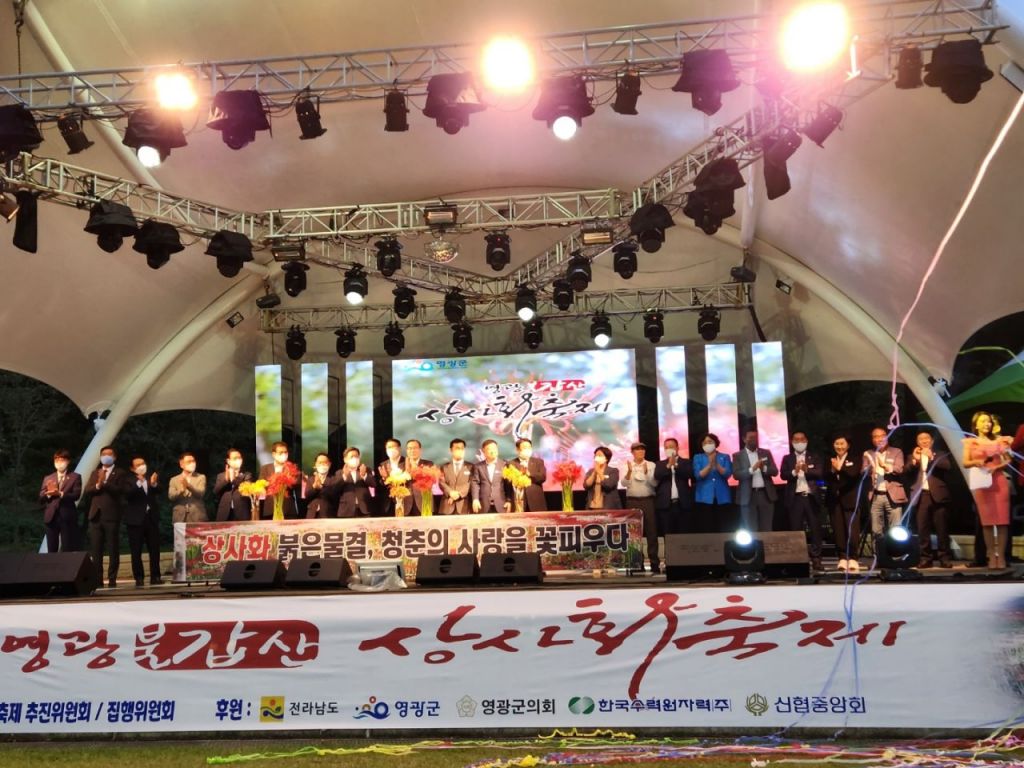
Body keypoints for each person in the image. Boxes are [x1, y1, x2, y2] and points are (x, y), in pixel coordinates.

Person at [963, 411, 1013, 569]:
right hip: (982, 483)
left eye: (989, 421)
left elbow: (1008, 459)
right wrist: (976, 462)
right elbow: (965, 462)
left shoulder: (1000, 440)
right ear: (976, 425)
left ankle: (1001, 556)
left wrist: (997, 467)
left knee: (1002, 521)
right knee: (987, 522)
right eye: (983, 421)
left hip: (998, 482)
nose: (987, 424)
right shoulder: (971, 442)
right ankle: (991, 555)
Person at [83, 445, 130, 589]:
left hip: (112, 515)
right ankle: (97, 579)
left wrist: (105, 483)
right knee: (96, 550)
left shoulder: (120, 473)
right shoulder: (95, 472)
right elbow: (88, 490)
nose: (106, 457)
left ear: (114, 457)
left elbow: (120, 490)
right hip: (95, 515)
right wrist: (98, 484)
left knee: (112, 548)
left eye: (109, 454)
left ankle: (112, 578)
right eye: (103, 454)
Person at [908, 430, 953, 568]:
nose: (924, 441)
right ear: (917, 442)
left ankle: (944, 557)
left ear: (932, 441)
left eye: (926, 438)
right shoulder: (912, 455)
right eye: (921, 439)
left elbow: (947, 466)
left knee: (942, 528)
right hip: (921, 495)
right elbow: (905, 471)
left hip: (938, 495)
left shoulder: (940, 454)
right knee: (922, 529)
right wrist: (915, 460)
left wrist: (931, 457)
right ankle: (925, 558)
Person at [779, 431, 824, 571]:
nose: (799, 442)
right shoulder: (787, 458)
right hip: (795, 498)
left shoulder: (814, 457)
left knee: (815, 529)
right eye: (796, 440)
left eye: (802, 439)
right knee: (796, 529)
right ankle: (798, 558)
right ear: (792, 442)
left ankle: (816, 558)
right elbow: (783, 475)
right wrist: (794, 471)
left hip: (811, 496)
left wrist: (806, 470)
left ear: (806, 441)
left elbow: (819, 473)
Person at [123, 456, 162, 587]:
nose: (141, 466)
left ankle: (155, 576)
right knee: (136, 550)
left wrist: (154, 484)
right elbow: (127, 495)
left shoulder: (151, 477)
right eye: (138, 465)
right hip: (135, 520)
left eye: (143, 463)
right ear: (132, 468)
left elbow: (159, 490)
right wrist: (139, 483)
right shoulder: (128, 479)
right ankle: (139, 577)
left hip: (151, 518)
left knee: (154, 549)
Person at [827, 434, 862, 572]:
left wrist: (839, 469)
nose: (839, 446)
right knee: (838, 529)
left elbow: (853, 475)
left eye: (842, 443)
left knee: (852, 529)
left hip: (850, 499)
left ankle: (853, 557)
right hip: (834, 499)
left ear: (848, 445)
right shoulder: (830, 459)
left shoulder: (855, 459)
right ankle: (842, 557)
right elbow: (824, 476)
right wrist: (832, 471)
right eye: (837, 443)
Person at [863, 427, 906, 540]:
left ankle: (895, 551)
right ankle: (878, 551)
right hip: (875, 495)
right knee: (876, 530)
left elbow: (899, 469)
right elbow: (863, 471)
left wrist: (885, 466)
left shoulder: (896, 451)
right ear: (872, 440)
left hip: (893, 495)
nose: (879, 439)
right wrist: (871, 466)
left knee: (896, 529)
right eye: (876, 437)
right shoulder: (868, 453)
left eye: (882, 436)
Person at [732, 428, 778, 532]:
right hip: (748, 496)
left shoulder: (766, 453)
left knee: (767, 527)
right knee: (750, 529)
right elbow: (736, 475)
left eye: (756, 437)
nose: (754, 440)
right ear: (744, 439)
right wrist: (752, 469)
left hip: (765, 495)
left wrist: (764, 468)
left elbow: (775, 471)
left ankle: (767, 543)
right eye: (751, 437)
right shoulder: (738, 455)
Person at [623, 442, 658, 572]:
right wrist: (629, 472)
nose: (641, 451)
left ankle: (654, 563)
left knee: (651, 532)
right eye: (637, 450)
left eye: (642, 449)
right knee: (634, 533)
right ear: (632, 452)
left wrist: (647, 472)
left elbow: (655, 483)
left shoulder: (651, 465)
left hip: (648, 500)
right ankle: (637, 563)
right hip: (632, 501)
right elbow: (623, 483)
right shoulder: (627, 465)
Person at [39, 448, 82, 553]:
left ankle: (67, 564)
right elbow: (41, 497)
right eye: (57, 460)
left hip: (67, 516)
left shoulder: (75, 477)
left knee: (67, 547)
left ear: (68, 461)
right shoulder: (48, 478)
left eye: (62, 460)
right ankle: (51, 564)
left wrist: (61, 494)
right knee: (51, 548)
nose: (59, 463)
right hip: (51, 517)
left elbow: (76, 495)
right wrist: (49, 494)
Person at [693, 433, 733, 532]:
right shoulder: (698, 457)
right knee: (707, 526)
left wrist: (716, 464)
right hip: (704, 497)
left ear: (716, 443)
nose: (707, 444)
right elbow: (698, 475)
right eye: (704, 443)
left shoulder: (725, 456)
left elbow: (727, 474)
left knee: (724, 526)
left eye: (710, 442)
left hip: (722, 496)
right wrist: (710, 465)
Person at [654, 437, 693, 536]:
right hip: (665, 505)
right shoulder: (659, 464)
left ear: (677, 448)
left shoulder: (686, 462)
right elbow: (657, 475)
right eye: (666, 447)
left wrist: (676, 466)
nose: (669, 449)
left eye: (671, 447)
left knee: (684, 534)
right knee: (667, 534)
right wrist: (668, 466)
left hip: (682, 504)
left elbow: (690, 474)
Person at [258, 441, 299, 519]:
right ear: (274, 454)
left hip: (288, 510)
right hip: (270, 510)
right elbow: (260, 485)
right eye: (280, 452)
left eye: (285, 452)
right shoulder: (265, 468)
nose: (284, 455)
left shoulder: (292, 468)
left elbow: (296, 486)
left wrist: (289, 478)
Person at [471, 439, 510, 514]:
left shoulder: (504, 465)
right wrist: (475, 499)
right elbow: (475, 483)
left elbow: (508, 485)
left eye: (494, 448)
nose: (492, 451)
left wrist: (509, 500)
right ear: (484, 452)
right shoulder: (478, 466)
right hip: (483, 504)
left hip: (501, 504)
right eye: (489, 449)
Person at [213, 448, 252, 522]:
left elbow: (247, 489)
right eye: (235, 458)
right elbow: (216, 491)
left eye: (239, 458)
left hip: (241, 512)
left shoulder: (246, 475)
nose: (238, 460)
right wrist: (226, 480)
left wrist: (234, 479)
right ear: (228, 461)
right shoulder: (221, 475)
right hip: (224, 513)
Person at [168, 451, 208, 524]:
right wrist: (181, 490)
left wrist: (188, 486)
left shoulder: (201, 477)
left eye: (193, 461)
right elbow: (171, 496)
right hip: (179, 518)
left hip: (197, 516)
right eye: (189, 461)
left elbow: (201, 493)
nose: (192, 463)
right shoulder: (174, 479)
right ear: (181, 464)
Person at [509, 438, 547, 511]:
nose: (527, 449)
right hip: (519, 500)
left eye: (529, 447)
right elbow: (508, 482)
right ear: (517, 449)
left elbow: (543, 477)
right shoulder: (511, 463)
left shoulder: (538, 462)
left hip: (535, 500)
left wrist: (529, 474)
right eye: (524, 447)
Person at [336, 447, 374, 518]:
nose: (354, 459)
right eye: (352, 457)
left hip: (364, 510)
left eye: (356, 456)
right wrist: (344, 476)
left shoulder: (366, 470)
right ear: (345, 460)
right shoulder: (339, 473)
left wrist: (364, 475)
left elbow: (373, 484)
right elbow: (335, 489)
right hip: (346, 511)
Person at [439, 438, 473, 515]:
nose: (460, 451)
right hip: (447, 506)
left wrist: (459, 494)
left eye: (462, 448)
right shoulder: (444, 467)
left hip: (464, 506)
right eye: (457, 448)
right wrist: (450, 492)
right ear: (451, 450)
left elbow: (471, 483)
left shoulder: (471, 467)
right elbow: (441, 482)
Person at [404, 439, 435, 516]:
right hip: (406, 504)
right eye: (410, 448)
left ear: (420, 450)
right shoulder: (401, 466)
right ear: (406, 450)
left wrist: (415, 468)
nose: (412, 450)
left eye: (415, 448)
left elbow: (430, 481)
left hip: (423, 503)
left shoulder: (428, 464)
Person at [376, 437, 406, 517]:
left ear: (399, 448)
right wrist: (385, 479)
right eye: (389, 447)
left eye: (393, 447)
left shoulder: (407, 462)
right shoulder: (383, 465)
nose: (391, 449)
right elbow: (379, 484)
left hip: (405, 502)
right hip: (388, 504)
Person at [306, 452, 339, 519]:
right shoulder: (310, 479)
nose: (322, 465)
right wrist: (314, 487)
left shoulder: (334, 479)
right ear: (315, 464)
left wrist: (321, 486)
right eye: (320, 462)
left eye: (325, 462)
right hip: (312, 515)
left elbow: (334, 495)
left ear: (329, 464)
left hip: (328, 515)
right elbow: (307, 495)